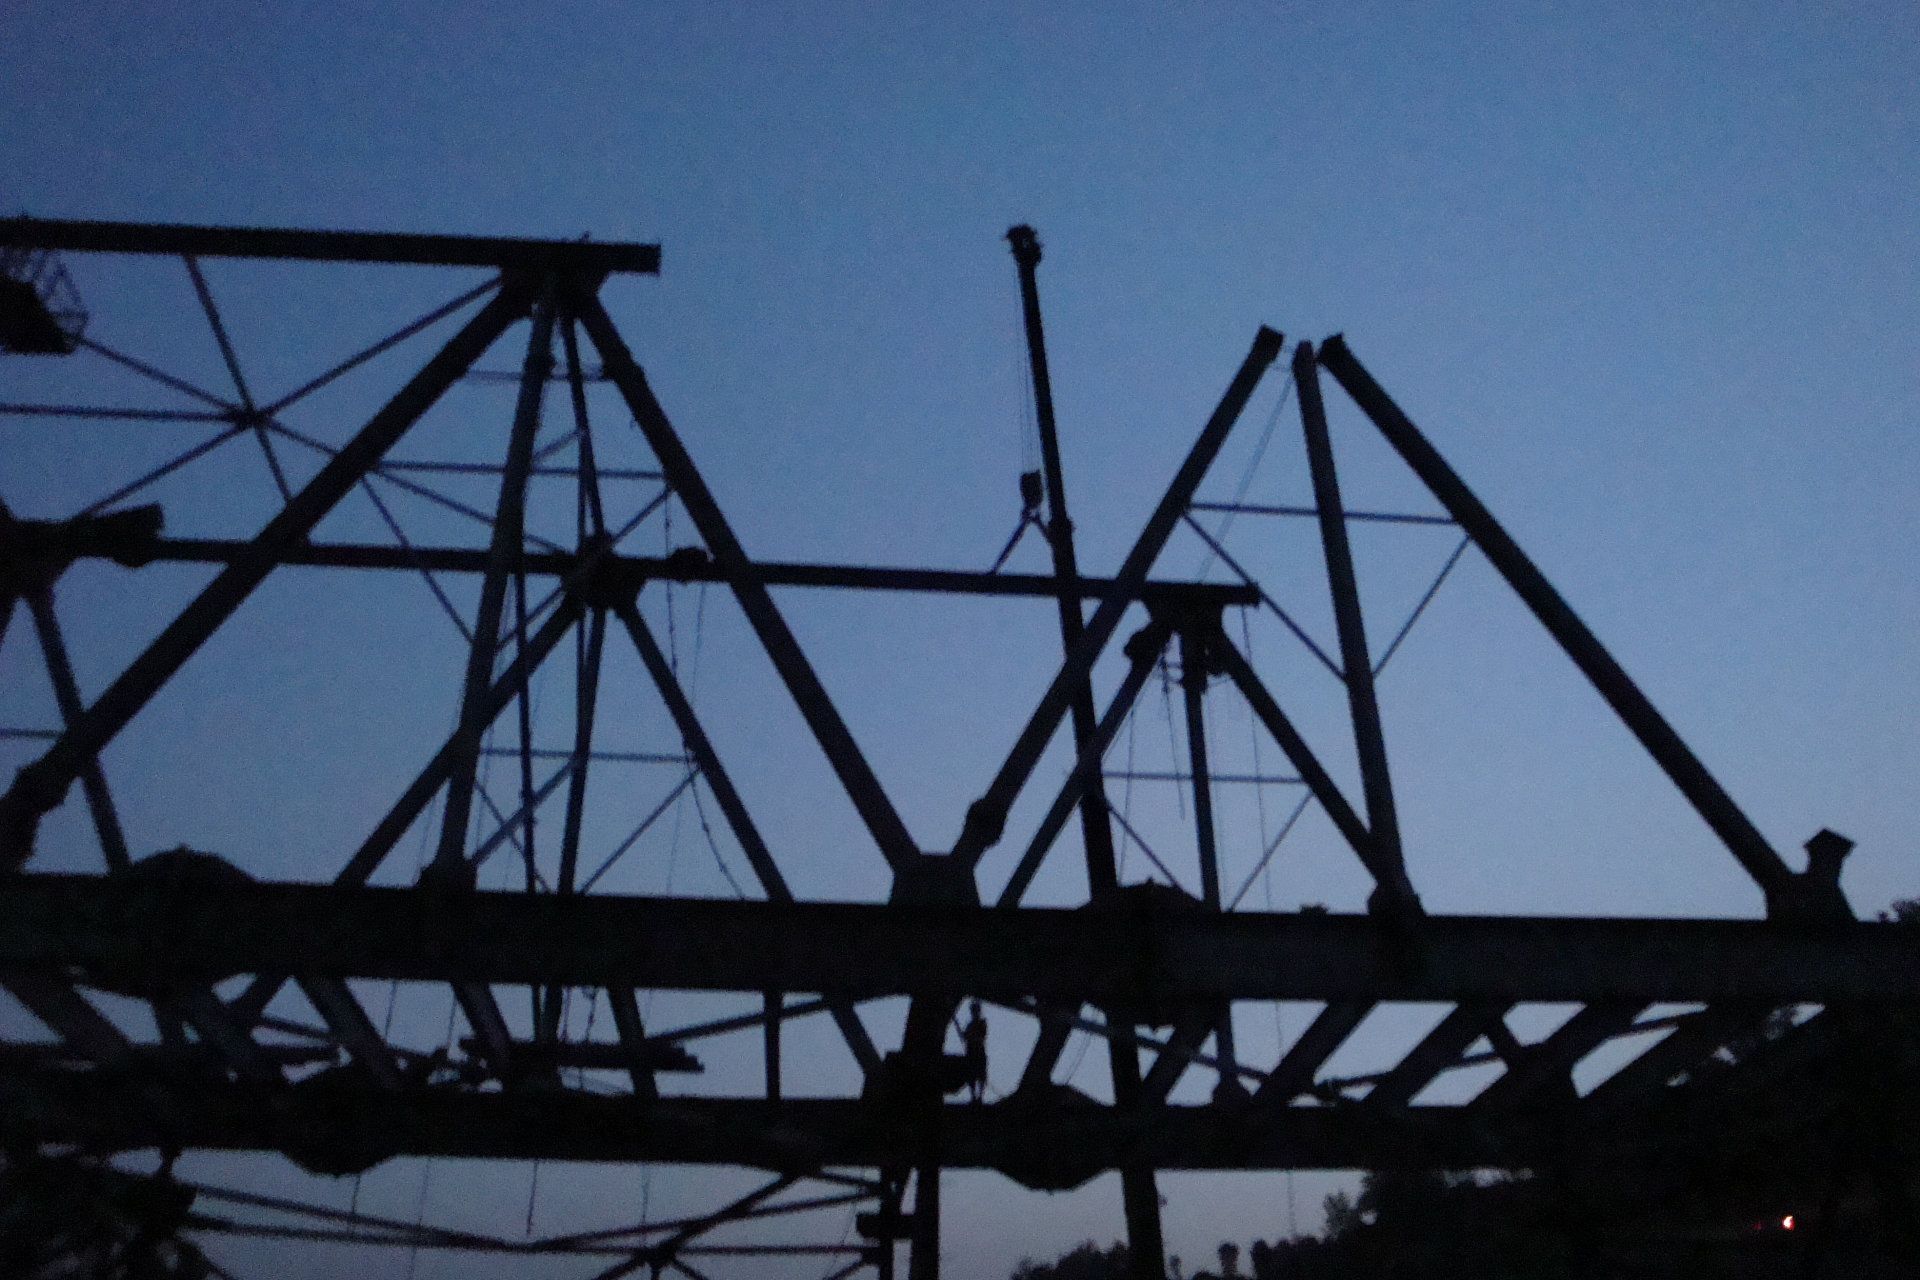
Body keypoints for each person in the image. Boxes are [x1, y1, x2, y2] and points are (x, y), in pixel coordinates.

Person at [961, 999, 988, 1103]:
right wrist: (966, 1036)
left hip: (978, 1051)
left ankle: (980, 1097)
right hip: (971, 1052)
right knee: (971, 1075)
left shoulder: (982, 1023)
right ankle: (973, 1097)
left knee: (981, 1075)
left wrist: (969, 1036)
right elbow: (966, 1037)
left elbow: (981, 1036)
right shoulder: (970, 1024)